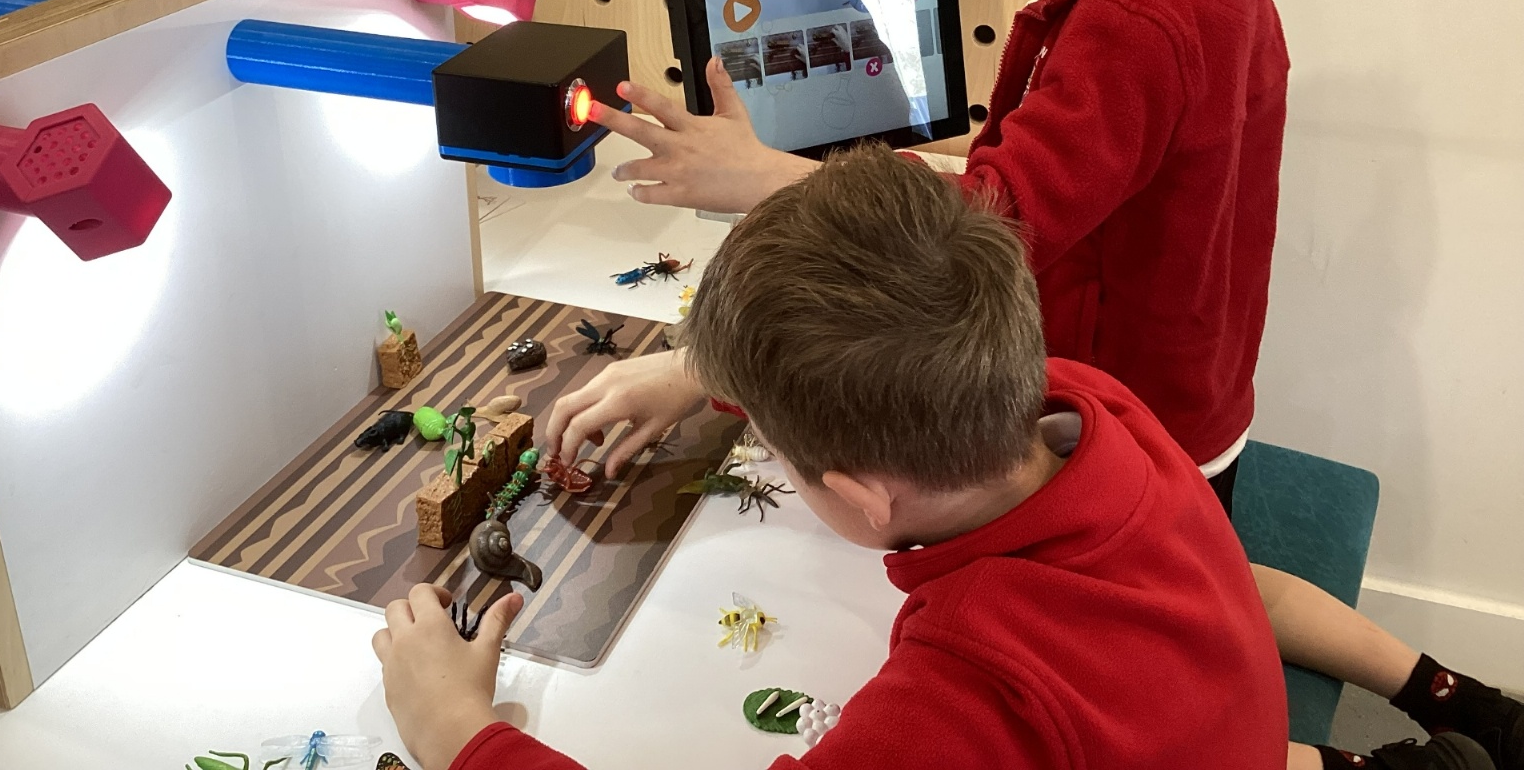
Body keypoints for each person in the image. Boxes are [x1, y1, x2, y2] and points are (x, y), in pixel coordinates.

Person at [540, 0, 1521, 770]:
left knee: (1153, 670)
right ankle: (1455, 704)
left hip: (1127, 402)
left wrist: (768, 180)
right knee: (1209, 595)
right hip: (1187, 402)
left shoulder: (1141, 18)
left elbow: (1001, 213)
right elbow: (1051, 175)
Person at [376, 148, 1306, 769]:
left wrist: (461, 734)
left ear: (864, 496)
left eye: (776, 451)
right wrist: (707, 370)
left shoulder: (969, 695)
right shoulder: (1094, 404)